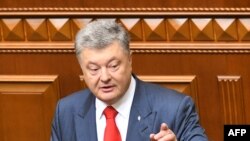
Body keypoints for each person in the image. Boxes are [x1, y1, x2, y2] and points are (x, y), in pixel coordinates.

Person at [51, 19, 208, 141]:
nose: (104, 77)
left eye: (113, 66)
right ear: (82, 69)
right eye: (94, 69)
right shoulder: (66, 112)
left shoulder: (175, 108)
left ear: (130, 60)